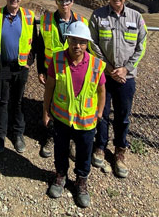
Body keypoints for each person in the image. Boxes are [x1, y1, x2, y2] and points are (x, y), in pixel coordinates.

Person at [88, 0, 147, 178]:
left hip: (126, 78)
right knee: (102, 114)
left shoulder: (136, 18)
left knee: (123, 116)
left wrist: (126, 69)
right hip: (104, 75)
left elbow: (142, 46)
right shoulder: (97, 16)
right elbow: (92, 43)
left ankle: (120, 151)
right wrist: (108, 66)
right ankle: (100, 147)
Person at [43, 21, 106, 208]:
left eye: (81, 42)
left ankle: (81, 181)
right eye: (73, 41)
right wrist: (46, 111)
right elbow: (49, 88)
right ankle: (60, 175)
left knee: (84, 153)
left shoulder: (96, 64)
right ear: (67, 40)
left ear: (87, 44)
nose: (77, 46)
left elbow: (102, 91)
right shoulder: (57, 60)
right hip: (62, 118)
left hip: (86, 121)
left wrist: (100, 112)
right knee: (60, 149)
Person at [35, 0, 88, 158]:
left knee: (72, 106)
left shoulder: (82, 22)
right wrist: (40, 70)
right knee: (51, 103)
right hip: (52, 71)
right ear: (56, 1)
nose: (64, 4)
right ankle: (50, 137)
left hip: (74, 71)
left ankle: (72, 141)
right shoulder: (47, 20)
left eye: (67, 0)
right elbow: (41, 47)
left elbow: (87, 49)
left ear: (72, 2)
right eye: (60, 0)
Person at [0, 0, 36, 153]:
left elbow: (35, 41)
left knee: (18, 102)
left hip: (21, 67)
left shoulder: (29, 17)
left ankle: (17, 134)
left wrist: (31, 61)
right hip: (2, 67)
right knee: (2, 101)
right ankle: (0, 135)